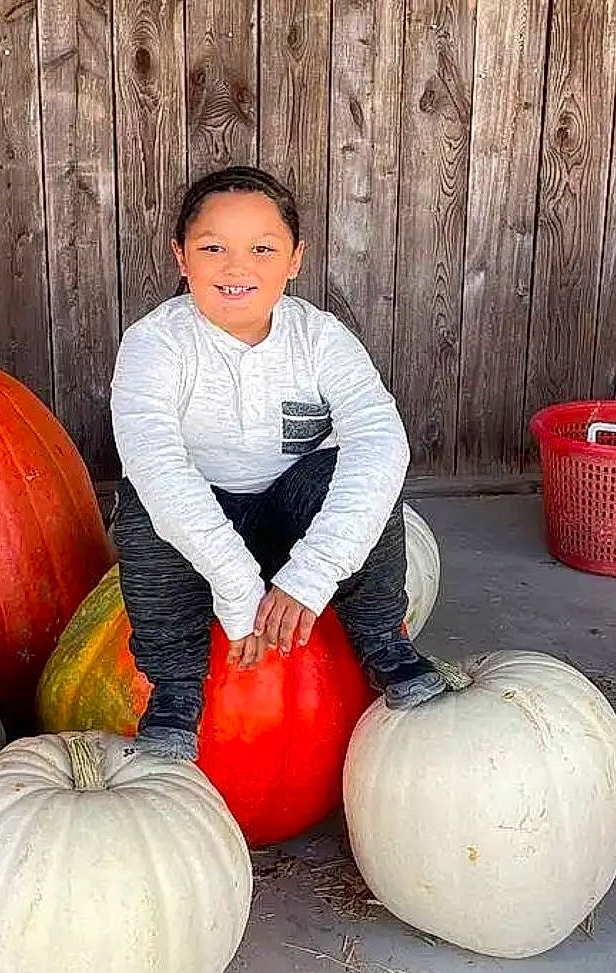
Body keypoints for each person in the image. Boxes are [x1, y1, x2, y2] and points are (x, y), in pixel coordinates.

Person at [110, 166, 448, 760]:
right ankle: (176, 687)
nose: (236, 268)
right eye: (213, 248)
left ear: (295, 259)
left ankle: (382, 643)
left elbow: (380, 439)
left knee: (350, 476)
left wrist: (312, 575)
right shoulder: (153, 344)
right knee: (142, 505)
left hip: (295, 520)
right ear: (181, 258)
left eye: (262, 249)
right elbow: (156, 462)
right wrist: (238, 587)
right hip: (202, 524)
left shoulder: (319, 337)